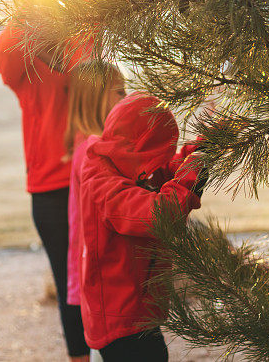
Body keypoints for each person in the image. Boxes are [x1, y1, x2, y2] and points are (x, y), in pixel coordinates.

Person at [0, 0, 100, 362]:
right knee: (70, 282)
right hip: (53, 187)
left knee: (109, 280)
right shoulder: (15, 51)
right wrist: (31, 2)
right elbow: (6, 54)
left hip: (99, 178)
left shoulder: (80, 36)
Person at [78, 93, 206, 361]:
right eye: (157, 153)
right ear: (140, 148)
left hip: (137, 309)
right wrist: (194, 172)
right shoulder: (101, 181)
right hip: (119, 319)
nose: (157, 166)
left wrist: (202, 148)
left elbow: (168, 168)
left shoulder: (124, 161)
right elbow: (157, 215)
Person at [64, 63, 126, 327]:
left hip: (105, 277)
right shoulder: (92, 153)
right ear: (97, 98)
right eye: (120, 92)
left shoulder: (98, 147)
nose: (126, 99)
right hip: (100, 279)